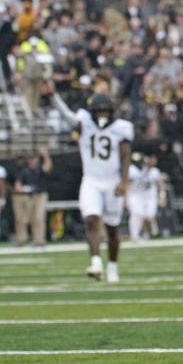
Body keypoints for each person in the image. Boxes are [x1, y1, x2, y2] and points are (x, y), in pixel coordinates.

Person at [46, 84, 133, 282]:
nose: (102, 114)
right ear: (93, 112)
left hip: (112, 181)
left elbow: (125, 156)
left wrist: (123, 181)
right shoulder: (84, 122)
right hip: (91, 180)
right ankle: (96, 262)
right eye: (99, 111)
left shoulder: (121, 128)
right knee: (91, 221)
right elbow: (67, 115)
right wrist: (54, 97)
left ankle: (112, 266)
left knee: (112, 229)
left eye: (105, 111)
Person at [11, 149, 52, 248]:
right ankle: (26, 240)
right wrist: (20, 189)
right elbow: (18, 183)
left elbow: (48, 168)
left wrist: (46, 155)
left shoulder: (40, 168)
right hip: (28, 196)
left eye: (33, 158)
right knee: (28, 219)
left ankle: (39, 241)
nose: (32, 160)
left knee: (39, 218)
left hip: (40, 195)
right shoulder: (24, 170)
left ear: (37, 159)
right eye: (30, 158)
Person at [126, 152, 165, 242]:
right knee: (137, 214)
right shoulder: (133, 170)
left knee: (148, 216)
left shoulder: (153, 171)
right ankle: (135, 235)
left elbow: (160, 184)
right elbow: (127, 184)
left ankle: (148, 233)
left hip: (148, 197)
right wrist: (124, 199)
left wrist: (162, 196)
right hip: (135, 195)